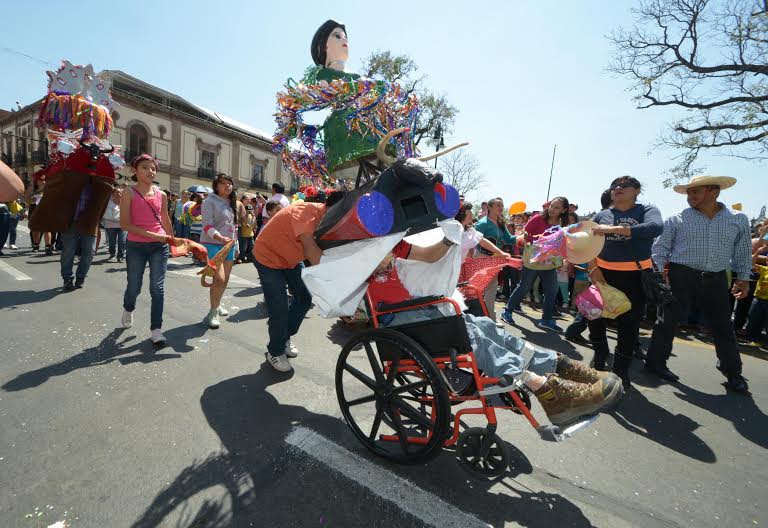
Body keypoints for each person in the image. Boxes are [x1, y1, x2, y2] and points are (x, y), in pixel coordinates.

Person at [366, 235, 624, 427]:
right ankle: (540, 385)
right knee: (468, 333)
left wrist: (449, 237)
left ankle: (555, 366)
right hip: (396, 319)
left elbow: (431, 255)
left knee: (486, 325)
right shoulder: (355, 254)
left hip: (422, 308)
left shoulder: (395, 242)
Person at [645, 176, 751, 392]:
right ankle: (655, 364)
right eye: (689, 193)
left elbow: (743, 252)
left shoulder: (738, 219)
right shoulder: (676, 219)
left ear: (714, 192)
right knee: (667, 321)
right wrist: (658, 274)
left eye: (696, 192)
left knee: (723, 326)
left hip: (717, 278)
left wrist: (743, 278)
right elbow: (660, 248)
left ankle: (733, 372)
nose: (690, 197)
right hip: (680, 275)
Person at [582, 176, 663, 390]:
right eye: (614, 186)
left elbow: (655, 227)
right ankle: (599, 358)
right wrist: (593, 269)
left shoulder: (646, 210)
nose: (617, 188)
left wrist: (613, 230)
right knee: (593, 317)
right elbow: (589, 243)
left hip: (635, 277)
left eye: (624, 186)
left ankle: (620, 371)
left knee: (629, 326)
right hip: (602, 275)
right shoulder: (602, 214)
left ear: (636, 190)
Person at [253, 198, 326, 372]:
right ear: (331, 207)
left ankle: (283, 337)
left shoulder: (327, 219)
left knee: (304, 298)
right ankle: (275, 351)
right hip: (267, 258)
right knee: (279, 306)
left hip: (290, 260)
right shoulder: (305, 212)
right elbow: (312, 252)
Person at [120, 154, 172, 346]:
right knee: (134, 285)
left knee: (157, 288)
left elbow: (165, 219)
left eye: (153, 168)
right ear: (134, 171)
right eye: (145, 167)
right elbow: (125, 224)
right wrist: (154, 236)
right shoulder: (129, 193)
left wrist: (172, 240)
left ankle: (156, 329)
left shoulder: (162, 194)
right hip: (136, 246)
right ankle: (128, 307)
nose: (150, 171)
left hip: (159, 246)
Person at [502, 196, 570, 332]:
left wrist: (561, 258)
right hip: (532, 259)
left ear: (564, 210)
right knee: (524, 287)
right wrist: (533, 240)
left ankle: (546, 319)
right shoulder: (538, 218)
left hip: (549, 262)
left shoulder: (562, 224)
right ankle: (507, 311)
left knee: (551, 290)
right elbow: (524, 234)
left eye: (557, 207)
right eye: (551, 205)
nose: (552, 209)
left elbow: (562, 242)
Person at [201, 173, 239, 329]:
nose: (227, 186)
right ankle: (213, 311)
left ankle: (218, 303)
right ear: (216, 186)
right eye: (223, 183)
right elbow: (207, 225)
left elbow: (233, 226)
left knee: (226, 279)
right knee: (220, 279)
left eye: (229, 183)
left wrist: (235, 245)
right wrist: (219, 238)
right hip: (212, 244)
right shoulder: (209, 202)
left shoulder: (232, 203)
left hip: (229, 245)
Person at [473, 197, 517, 321]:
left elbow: (509, 239)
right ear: (489, 207)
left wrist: (521, 236)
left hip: (495, 259)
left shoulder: (501, 224)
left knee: (491, 289)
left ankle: (490, 318)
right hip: (482, 258)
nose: (501, 208)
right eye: (498, 205)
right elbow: (475, 241)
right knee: (478, 288)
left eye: (502, 205)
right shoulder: (482, 223)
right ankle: (475, 315)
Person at [102, 185, 126, 262]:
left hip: (123, 225)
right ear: (113, 193)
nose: (119, 194)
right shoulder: (108, 202)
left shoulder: (126, 201)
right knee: (112, 242)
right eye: (117, 192)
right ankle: (112, 253)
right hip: (110, 226)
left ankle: (120, 256)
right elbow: (107, 215)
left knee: (122, 241)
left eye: (120, 193)